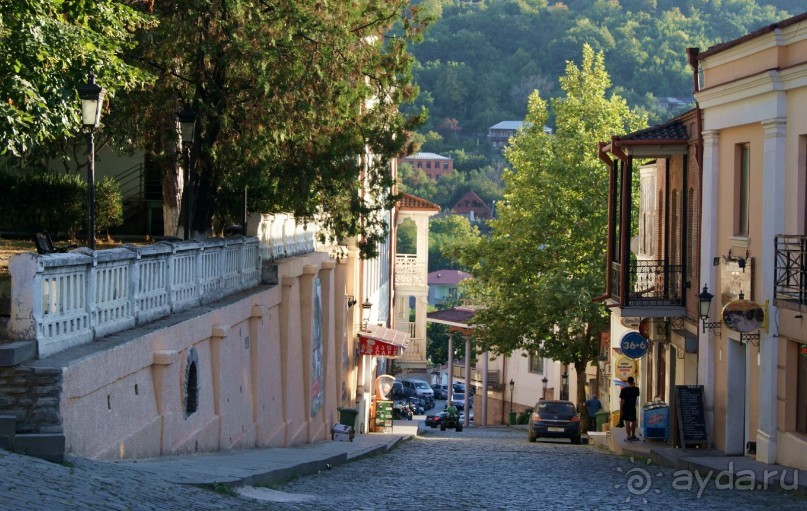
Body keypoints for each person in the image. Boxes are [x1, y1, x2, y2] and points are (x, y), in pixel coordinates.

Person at [619, 376, 640, 441]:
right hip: (632, 407)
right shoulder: (636, 389)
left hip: (625, 407)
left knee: (627, 422)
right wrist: (634, 385)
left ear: (627, 382)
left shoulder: (624, 390)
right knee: (633, 421)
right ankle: (633, 435)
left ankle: (628, 436)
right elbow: (637, 395)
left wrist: (620, 409)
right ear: (633, 381)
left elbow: (621, 401)